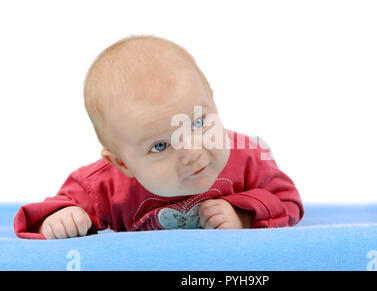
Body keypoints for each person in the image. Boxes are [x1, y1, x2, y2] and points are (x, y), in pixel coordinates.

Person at [14, 35, 303, 239]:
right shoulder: (103, 186)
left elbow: (287, 199)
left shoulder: (246, 157)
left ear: (212, 101)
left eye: (199, 122)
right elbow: (51, 210)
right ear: (121, 162)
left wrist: (245, 216)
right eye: (161, 145)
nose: (192, 152)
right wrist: (58, 219)